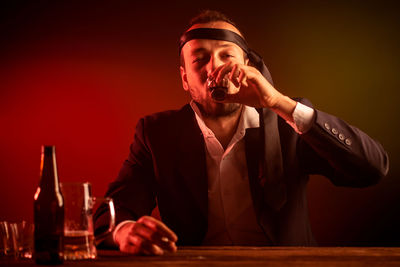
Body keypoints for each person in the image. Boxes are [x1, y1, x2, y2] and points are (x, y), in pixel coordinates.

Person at [94, 10, 389, 255]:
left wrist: (279, 103)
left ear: (248, 67)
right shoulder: (157, 133)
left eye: (226, 56)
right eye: (200, 59)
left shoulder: (287, 123)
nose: (215, 68)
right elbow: (111, 213)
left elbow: (371, 169)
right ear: (185, 78)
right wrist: (124, 231)